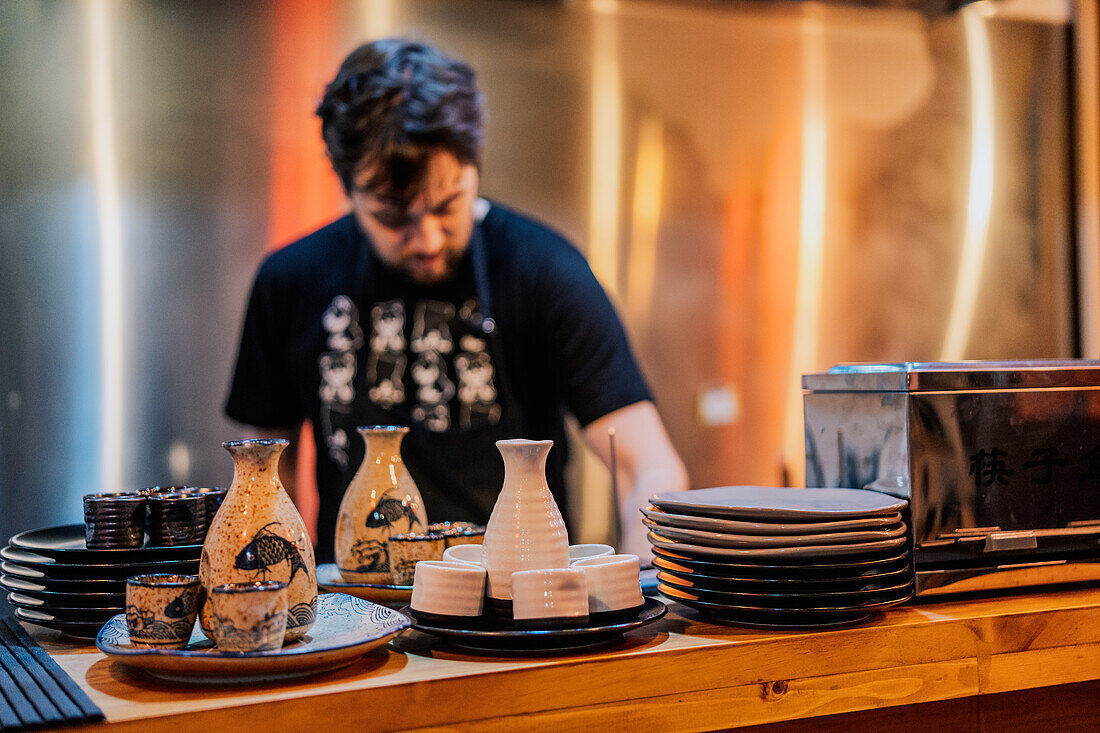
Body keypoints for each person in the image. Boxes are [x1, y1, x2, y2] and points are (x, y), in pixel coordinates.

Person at [225, 38, 688, 564]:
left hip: (522, 613)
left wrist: (641, 583)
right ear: (347, 187)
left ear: (474, 167)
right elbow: (262, 474)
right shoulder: (290, 280)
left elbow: (648, 466)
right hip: (355, 608)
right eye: (393, 217)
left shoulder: (545, 271)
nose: (427, 239)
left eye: (448, 205)